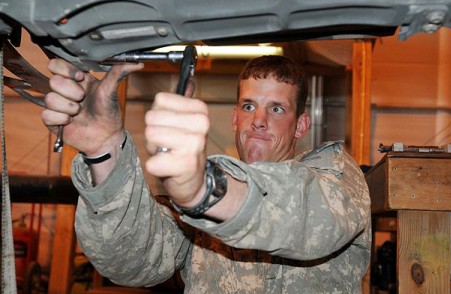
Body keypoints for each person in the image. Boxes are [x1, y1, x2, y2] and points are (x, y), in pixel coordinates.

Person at [41, 55, 371, 293]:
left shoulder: (334, 174)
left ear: (301, 124)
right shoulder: (190, 201)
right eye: (248, 106)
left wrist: (205, 190)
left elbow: (313, 219)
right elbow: (132, 261)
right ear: (234, 118)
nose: (258, 120)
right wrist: (103, 151)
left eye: (276, 108)